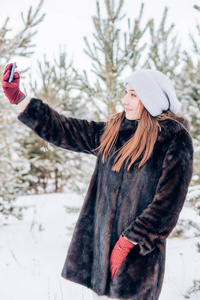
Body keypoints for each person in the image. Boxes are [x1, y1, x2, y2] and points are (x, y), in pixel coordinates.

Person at [1, 64, 194, 300]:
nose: (125, 100)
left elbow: (168, 204)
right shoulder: (115, 132)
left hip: (137, 259)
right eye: (126, 92)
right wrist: (19, 98)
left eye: (133, 94)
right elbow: (64, 129)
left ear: (150, 100)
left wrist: (128, 242)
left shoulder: (174, 139)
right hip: (100, 257)